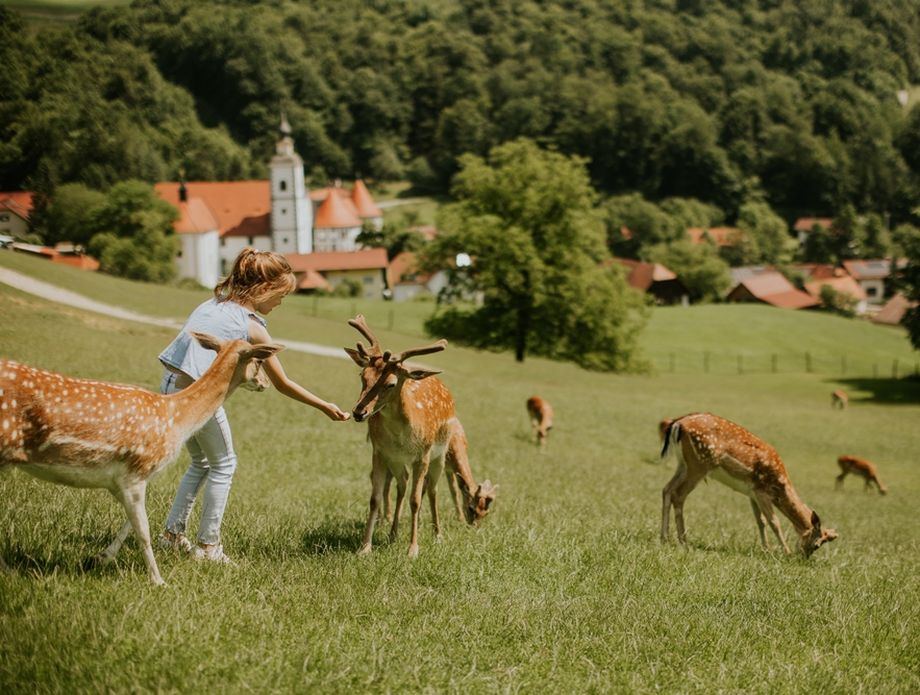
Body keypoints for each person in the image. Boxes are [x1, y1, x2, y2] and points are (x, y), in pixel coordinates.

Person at [157, 247, 350, 563]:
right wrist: (324, 405)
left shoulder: (212, 303)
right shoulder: (253, 327)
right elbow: (283, 383)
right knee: (224, 464)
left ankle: (171, 535)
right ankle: (208, 548)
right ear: (264, 289)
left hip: (169, 386)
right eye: (280, 296)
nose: (280, 303)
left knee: (202, 463)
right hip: (196, 398)